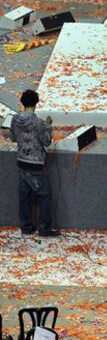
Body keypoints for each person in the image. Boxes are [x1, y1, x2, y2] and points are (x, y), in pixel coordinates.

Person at [10, 89, 60, 238]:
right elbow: (46, 141)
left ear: (22, 103)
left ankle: (26, 227)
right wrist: (49, 126)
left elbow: (13, 138)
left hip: (21, 161)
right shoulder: (38, 123)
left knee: (24, 196)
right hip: (35, 164)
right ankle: (44, 228)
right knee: (44, 196)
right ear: (36, 103)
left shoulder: (14, 119)